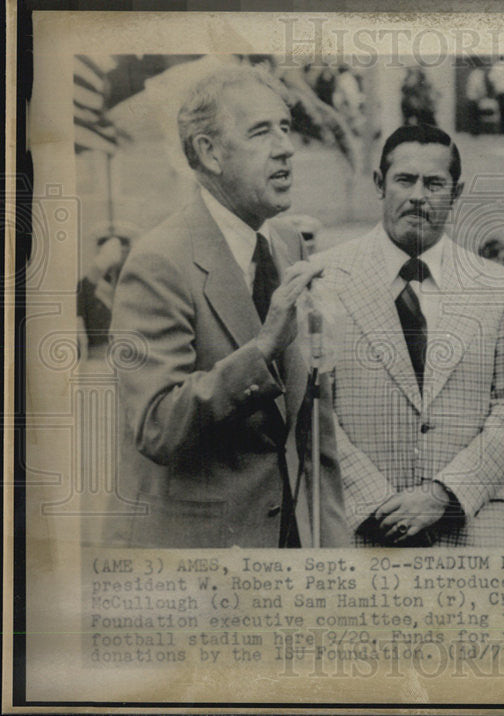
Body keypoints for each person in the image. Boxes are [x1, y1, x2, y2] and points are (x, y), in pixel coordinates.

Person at [107, 67, 350, 548]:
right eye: (261, 132)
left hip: (291, 544)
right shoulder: (160, 261)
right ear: (209, 152)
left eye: (286, 127)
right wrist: (261, 350)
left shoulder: (287, 243)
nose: (286, 147)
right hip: (202, 558)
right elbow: (156, 427)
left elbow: (312, 431)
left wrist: (334, 549)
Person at [310, 124, 504, 547]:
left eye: (434, 183)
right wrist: (377, 503)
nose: (418, 195)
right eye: (404, 180)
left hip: (466, 534)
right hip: (357, 530)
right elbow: (311, 411)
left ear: (457, 192)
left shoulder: (498, 285)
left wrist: (444, 496)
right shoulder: (324, 279)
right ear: (380, 184)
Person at [77, 233, 130, 358]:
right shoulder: (86, 287)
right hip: (99, 362)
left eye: (123, 246)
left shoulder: (134, 286)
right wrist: (100, 264)